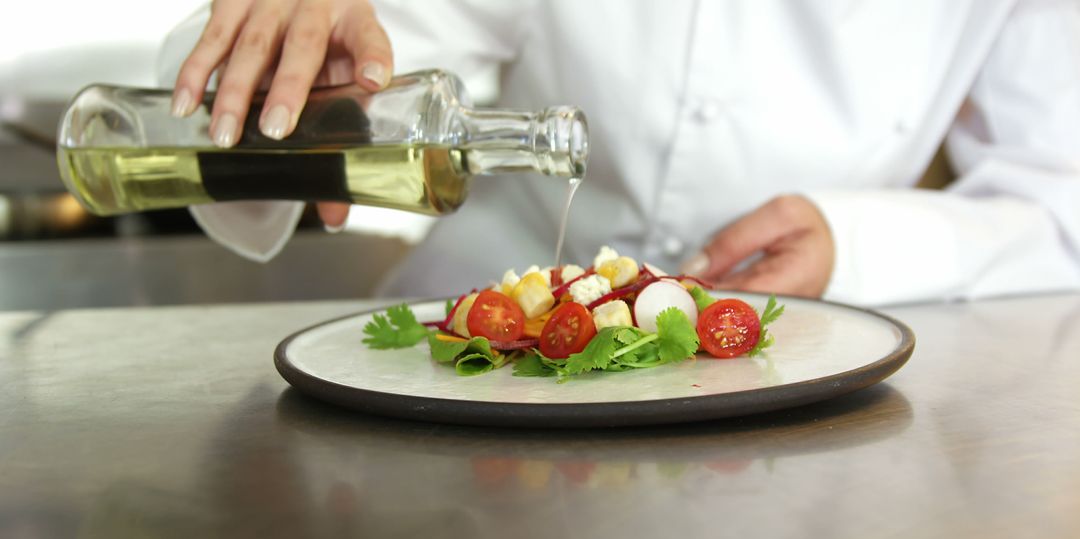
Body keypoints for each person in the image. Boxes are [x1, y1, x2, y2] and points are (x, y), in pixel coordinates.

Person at [158, 0, 1080, 306]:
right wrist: (283, 58)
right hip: (457, 373)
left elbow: (1061, 202)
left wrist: (859, 243)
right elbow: (341, 40)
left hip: (801, 386)